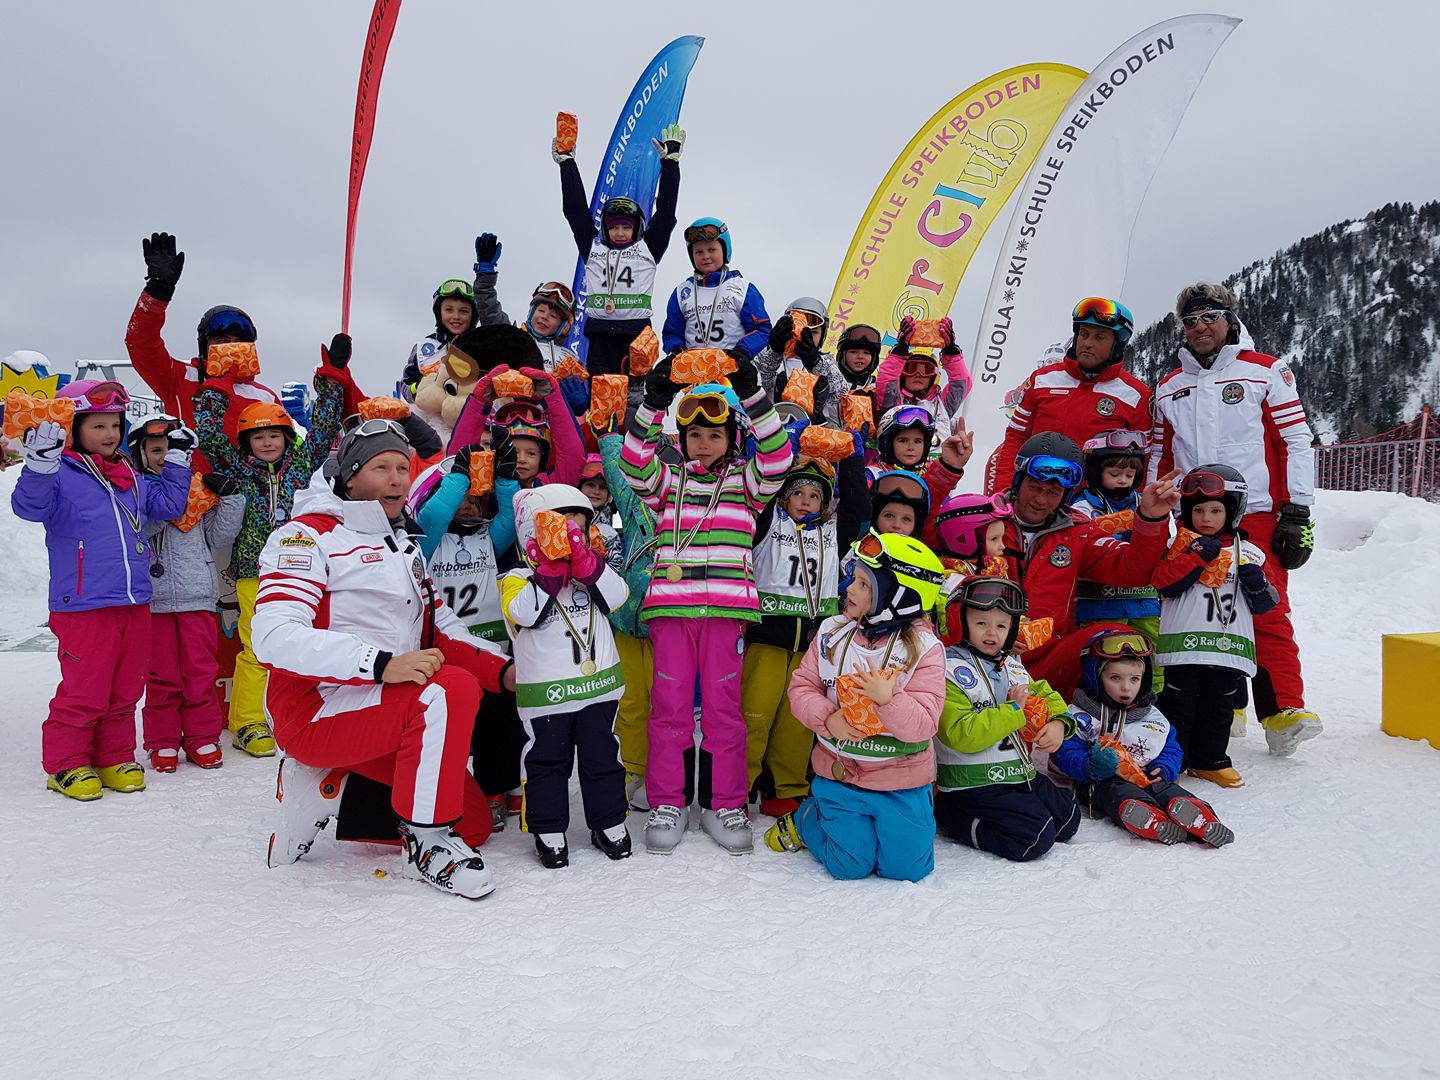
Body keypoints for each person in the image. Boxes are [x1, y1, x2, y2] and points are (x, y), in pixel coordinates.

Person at [254, 420, 515, 899]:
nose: (396, 478)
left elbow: (439, 632)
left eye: (402, 467)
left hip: (384, 707)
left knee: (474, 824)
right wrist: (378, 663)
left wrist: (504, 670)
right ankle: (426, 846)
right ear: (351, 477)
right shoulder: (306, 537)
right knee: (449, 688)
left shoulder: (399, 541)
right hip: (316, 710)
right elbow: (273, 637)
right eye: (381, 468)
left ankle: (329, 788)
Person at [620, 361, 794, 855]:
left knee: (723, 711)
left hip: (725, 612)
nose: (703, 443)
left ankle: (725, 803)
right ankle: (668, 801)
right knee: (669, 709)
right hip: (672, 614)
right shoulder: (667, 484)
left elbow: (779, 458)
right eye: (694, 433)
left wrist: (753, 395)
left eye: (714, 435)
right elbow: (633, 462)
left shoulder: (747, 484)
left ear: (731, 439)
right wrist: (653, 401)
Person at [1148, 282, 1320, 755]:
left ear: (1229, 320)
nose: (1200, 327)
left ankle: (1283, 709)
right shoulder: (1168, 386)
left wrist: (1298, 510)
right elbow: (1160, 455)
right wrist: (1148, 511)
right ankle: (1223, 702)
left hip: (1258, 512)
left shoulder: (1266, 371)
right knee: (1194, 611)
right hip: (1194, 515)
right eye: (1191, 321)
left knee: (1265, 606)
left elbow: (1295, 442)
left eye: (1210, 317)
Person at [12, 381, 191, 800]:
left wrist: (178, 461)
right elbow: (28, 508)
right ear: (75, 428)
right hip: (83, 604)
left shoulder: (127, 473)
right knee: (86, 688)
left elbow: (167, 507)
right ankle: (66, 764)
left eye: (115, 424)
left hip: (133, 600)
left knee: (126, 687)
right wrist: (39, 468)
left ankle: (114, 756)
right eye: (97, 425)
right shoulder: (59, 474)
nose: (110, 433)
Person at [193, 336, 352, 757]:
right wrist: (214, 388)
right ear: (245, 442)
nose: (266, 443)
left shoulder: (301, 466)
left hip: (298, 570)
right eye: (257, 436)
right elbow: (208, 436)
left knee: (301, 643)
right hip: (252, 570)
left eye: (274, 435)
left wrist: (332, 379)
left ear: (285, 437)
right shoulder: (238, 471)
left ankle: (293, 711)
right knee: (257, 644)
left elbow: (322, 432)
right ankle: (246, 722)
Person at [765, 533, 946, 883]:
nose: (849, 587)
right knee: (849, 866)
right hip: (842, 777)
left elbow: (924, 723)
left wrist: (889, 699)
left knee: (908, 870)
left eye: (864, 584)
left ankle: (881, 831)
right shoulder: (832, 633)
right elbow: (801, 687)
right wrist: (827, 718)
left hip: (901, 781)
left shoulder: (925, 650)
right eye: (854, 577)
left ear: (899, 598)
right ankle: (807, 819)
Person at [502, 485, 632, 868]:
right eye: (560, 520)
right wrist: (549, 573)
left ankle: (608, 821)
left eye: (578, 519)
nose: (571, 529)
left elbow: (619, 595)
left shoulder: (591, 569)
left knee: (602, 755)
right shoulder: (516, 577)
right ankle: (548, 826)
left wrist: (587, 567)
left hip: (598, 687)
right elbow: (524, 615)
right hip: (547, 693)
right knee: (546, 759)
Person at [998, 432, 1179, 699]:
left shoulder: (1079, 530)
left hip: (1048, 655)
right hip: (983, 645)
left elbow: (1131, 570)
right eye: (1035, 487)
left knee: (1123, 639)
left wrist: (1151, 519)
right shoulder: (984, 520)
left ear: (1066, 493)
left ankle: (1108, 728)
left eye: (1053, 492)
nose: (1042, 500)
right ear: (1018, 480)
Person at [743, 452, 869, 817]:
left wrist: (852, 460)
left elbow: (859, 510)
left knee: (798, 720)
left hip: (813, 642)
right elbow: (760, 492)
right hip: (768, 635)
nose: (806, 501)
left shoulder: (832, 532)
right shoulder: (769, 525)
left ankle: (787, 786)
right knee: (755, 713)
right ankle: (739, 785)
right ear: (783, 498)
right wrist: (777, 454)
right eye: (798, 493)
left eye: (815, 496)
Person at [934, 575, 1081, 861]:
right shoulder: (948, 670)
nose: (992, 632)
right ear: (959, 622)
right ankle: (950, 814)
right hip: (974, 785)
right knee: (1033, 839)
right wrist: (1012, 711)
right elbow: (961, 734)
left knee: (1068, 820)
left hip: (1018, 775)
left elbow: (1045, 694)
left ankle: (1018, 808)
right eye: (981, 623)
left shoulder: (1010, 664)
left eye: (1001, 625)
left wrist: (1059, 723)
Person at [129, 415, 245, 772]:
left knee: (199, 672)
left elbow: (219, 537)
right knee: (162, 675)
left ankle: (202, 737)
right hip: (156, 600)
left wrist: (230, 499)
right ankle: (162, 741)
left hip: (197, 595)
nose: (165, 456)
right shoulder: (135, 490)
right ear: (142, 454)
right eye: (157, 450)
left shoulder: (197, 492)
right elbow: (141, 528)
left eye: (173, 450)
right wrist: (173, 494)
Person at [1152, 465, 1279, 788]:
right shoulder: (1178, 545)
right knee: (1178, 703)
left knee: (1219, 705)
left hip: (1228, 646)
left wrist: (1257, 585)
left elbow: (1268, 604)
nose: (1206, 518)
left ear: (1232, 512)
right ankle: (1173, 759)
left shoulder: (1250, 553)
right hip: (1184, 645)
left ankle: (1210, 760)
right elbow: (1163, 585)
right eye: (1198, 510)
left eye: (1215, 510)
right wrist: (1193, 558)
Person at [1052, 628, 1234, 847]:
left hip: (1147, 775)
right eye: (1115, 678)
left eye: (1135, 679)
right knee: (1117, 791)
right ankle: (1147, 819)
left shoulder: (1151, 716)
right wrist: (1089, 766)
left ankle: (1198, 817)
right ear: (1095, 677)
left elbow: (1170, 747)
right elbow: (1065, 752)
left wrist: (1165, 766)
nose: (1126, 687)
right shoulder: (1079, 715)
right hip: (1101, 780)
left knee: (1166, 788)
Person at [125, 232, 283, 459]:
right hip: (186, 489)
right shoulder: (179, 378)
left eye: (239, 343)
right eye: (221, 341)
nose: (231, 349)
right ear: (204, 346)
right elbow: (141, 342)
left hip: (242, 493)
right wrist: (157, 291)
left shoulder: (265, 397)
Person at [555, 117, 683, 375]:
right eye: (614, 227)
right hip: (600, 334)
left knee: (634, 400)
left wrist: (670, 165)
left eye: (627, 227)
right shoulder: (594, 248)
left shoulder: (648, 248)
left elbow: (666, 213)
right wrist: (567, 163)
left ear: (636, 228)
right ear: (606, 229)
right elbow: (575, 211)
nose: (621, 232)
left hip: (636, 335)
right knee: (602, 401)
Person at [991, 297, 1150, 495]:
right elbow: (1016, 438)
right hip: (1036, 496)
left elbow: (1142, 462)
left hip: (1091, 509)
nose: (1087, 343)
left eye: (1099, 337)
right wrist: (1004, 490)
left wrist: (1130, 509)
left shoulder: (1137, 395)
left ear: (1118, 344)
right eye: (1083, 334)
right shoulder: (1042, 379)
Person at [1070, 430, 1162, 660]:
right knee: (1106, 654)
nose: (1123, 480)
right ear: (1095, 470)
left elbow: (1165, 539)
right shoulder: (1083, 507)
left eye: (1130, 475)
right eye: (1114, 473)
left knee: (1155, 654)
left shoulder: (1145, 503)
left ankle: (1157, 695)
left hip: (1144, 602)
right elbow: (1081, 543)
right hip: (1100, 603)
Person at [661, 217, 771, 360]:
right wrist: (677, 350)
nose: (706, 256)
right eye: (699, 252)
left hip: (731, 366)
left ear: (725, 250)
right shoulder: (682, 293)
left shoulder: (742, 289)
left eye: (712, 249)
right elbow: (672, 333)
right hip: (692, 369)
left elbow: (761, 329)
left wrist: (742, 352)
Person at [929, 492, 1013, 647]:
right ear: (964, 539)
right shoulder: (953, 580)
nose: (1002, 546)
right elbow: (948, 630)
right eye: (994, 539)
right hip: (960, 657)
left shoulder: (993, 570)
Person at [752, 296, 847, 423]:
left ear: (823, 335)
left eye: (813, 333)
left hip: (813, 432)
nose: (803, 336)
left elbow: (840, 396)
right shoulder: (773, 359)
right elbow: (754, 384)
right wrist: (773, 352)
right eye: (797, 330)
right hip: (774, 428)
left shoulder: (826, 362)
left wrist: (815, 363)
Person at [875, 315, 970, 441]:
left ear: (934, 376)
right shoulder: (892, 401)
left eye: (926, 370)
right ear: (902, 373)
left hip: (935, 460)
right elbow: (885, 381)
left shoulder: (943, 403)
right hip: (897, 459)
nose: (918, 374)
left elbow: (961, 384)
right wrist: (900, 350)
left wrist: (951, 351)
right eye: (911, 368)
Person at [400, 278, 482, 398]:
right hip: (430, 414)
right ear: (439, 313)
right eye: (449, 310)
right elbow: (405, 386)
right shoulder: (423, 348)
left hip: (470, 412)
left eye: (464, 311)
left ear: (473, 316)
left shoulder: (481, 346)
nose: (456, 316)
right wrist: (420, 387)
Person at [832, 323, 883, 397]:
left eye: (866, 353)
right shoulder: (829, 379)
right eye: (853, 352)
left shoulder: (876, 388)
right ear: (842, 355)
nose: (860, 357)